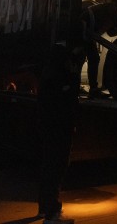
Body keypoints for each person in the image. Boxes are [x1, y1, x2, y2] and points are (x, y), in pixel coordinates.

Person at [37, 42, 84, 224]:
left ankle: (44, 208)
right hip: (59, 129)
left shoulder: (48, 74)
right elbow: (67, 100)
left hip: (50, 128)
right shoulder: (59, 77)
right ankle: (52, 214)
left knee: (49, 166)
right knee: (56, 168)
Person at [81, 0, 117, 98]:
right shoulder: (111, 7)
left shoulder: (109, 11)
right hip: (83, 29)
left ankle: (92, 89)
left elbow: (111, 32)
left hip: (88, 33)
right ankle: (90, 89)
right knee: (86, 58)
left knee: (92, 58)